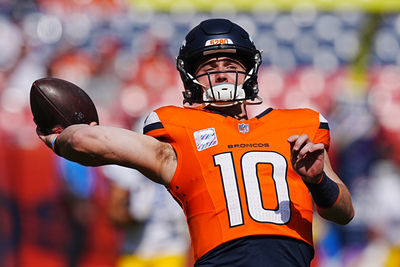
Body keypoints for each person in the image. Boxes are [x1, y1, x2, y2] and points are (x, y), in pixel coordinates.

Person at [37, 18, 354, 266]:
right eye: (209, 67)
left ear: (250, 72)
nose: (220, 74)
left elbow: (344, 212)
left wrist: (317, 181)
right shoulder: (180, 132)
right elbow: (94, 142)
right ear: (191, 78)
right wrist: (60, 136)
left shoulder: (299, 125)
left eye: (231, 65)